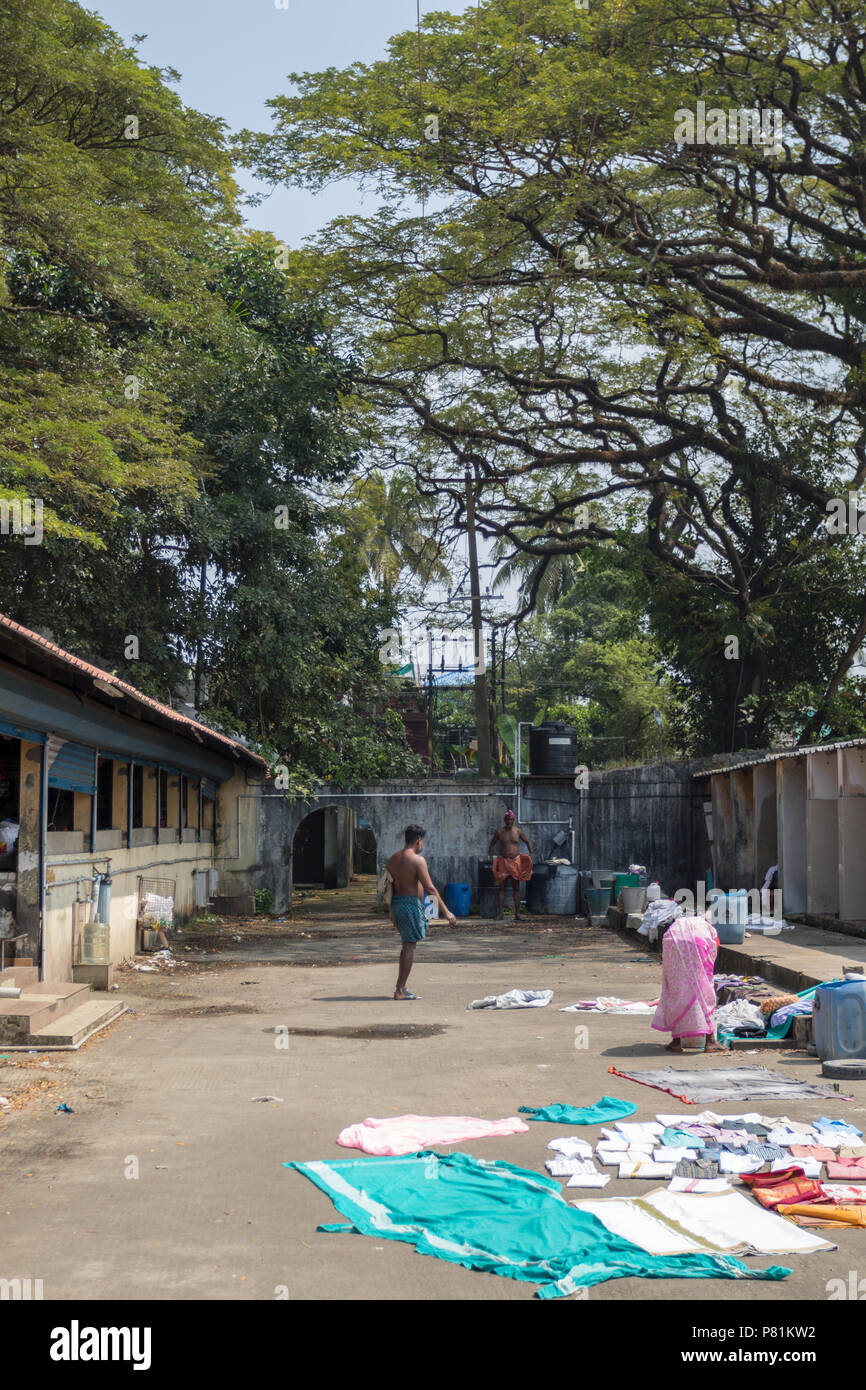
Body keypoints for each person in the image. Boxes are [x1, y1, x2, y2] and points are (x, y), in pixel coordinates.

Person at [387, 824, 455, 1000]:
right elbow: (430, 889)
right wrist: (446, 912)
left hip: (397, 904)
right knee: (409, 947)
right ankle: (400, 990)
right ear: (418, 840)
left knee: (406, 946)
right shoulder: (418, 860)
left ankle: (401, 987)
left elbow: (388, 887)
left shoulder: (393, 859)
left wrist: (390, 910)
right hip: (409, 905)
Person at [651, 910, 724, 1052]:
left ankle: (677, 1042)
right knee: (704, 992)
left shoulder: (681, 924)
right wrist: (706, 971)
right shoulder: (709, 929)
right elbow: (715, 950)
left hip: (672, 942)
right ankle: (710, 1041)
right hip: (695, 944)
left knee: (678, 992)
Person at [488, 811, 533, 922]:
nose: (509, 821)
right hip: (503, 861)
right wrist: (492, 858)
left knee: (516, 888)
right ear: (505, 820)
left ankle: (517, 914)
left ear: (514, 820)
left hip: (515, 862)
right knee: (501, 888)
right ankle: (500, 914)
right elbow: (492, 844)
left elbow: (527, 841)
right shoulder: (499, 832)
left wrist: (530, 854)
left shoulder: (517, 831)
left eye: (511, 819)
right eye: (507, 819)